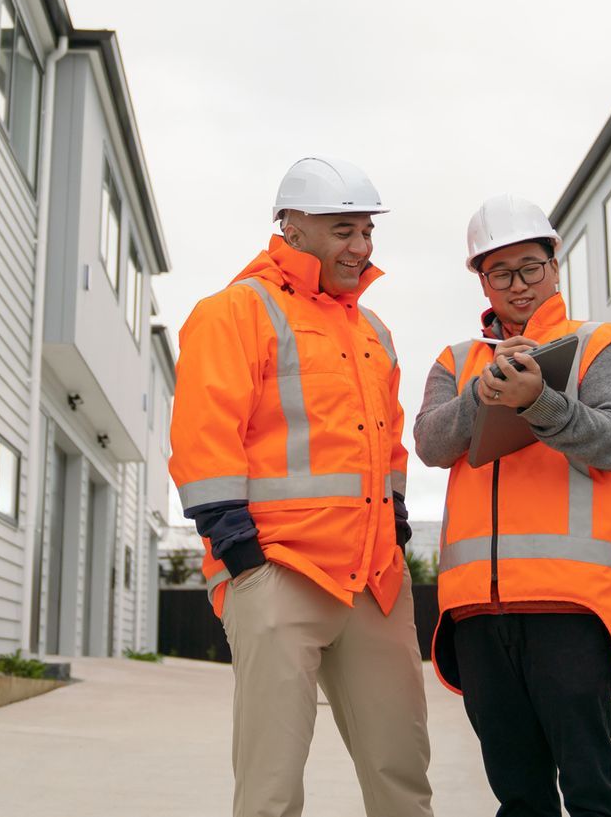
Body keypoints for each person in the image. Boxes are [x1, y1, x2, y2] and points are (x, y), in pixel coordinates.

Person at [169, 156, 433, 817]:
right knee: (271, 790)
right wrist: (243, 559)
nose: (361, 247)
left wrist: (395, 535)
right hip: (280, 571)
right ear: (293, 226)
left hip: (373, 581)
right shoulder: (235, 311)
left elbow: (391, 448)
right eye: (344, 230)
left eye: (367, 231)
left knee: (402, 775)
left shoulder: (374, 332)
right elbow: (205, 440)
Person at [413, 193, 611, 817]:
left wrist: (539, 401)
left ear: (554, 263)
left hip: (569, 603)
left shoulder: (600, 345)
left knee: (591, 785)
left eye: (529, 268)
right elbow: (432, 444)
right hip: (478, 611)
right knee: (517, 792)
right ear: (480, 280)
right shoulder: (457, 361)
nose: (517, 286)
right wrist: (482, 397)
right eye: (500, 274)